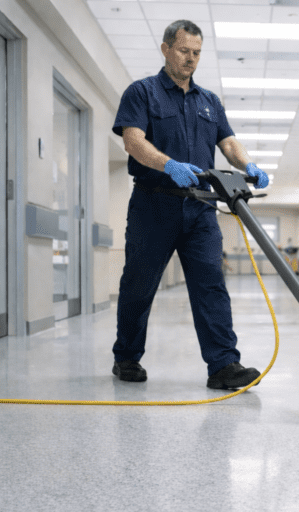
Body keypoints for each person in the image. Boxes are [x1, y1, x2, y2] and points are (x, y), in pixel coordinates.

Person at [111, 20, 269, 390]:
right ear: (166, 49)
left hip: (200, 209)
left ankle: (224, 365)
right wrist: (168, 165)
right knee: (139, 284)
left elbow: (228, 143)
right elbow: (133, 141)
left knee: (211, 285)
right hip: (154, 204)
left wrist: (248, 165)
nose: (191, 59)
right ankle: (127, 357)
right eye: (184, 51)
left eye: (197, 53)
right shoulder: (142, 92)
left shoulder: (209, 102)